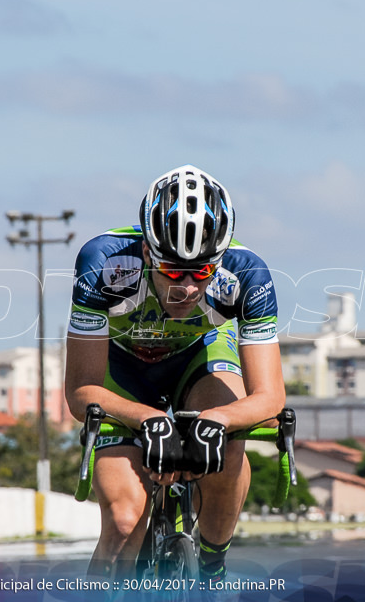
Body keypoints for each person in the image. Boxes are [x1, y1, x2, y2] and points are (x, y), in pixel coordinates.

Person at [65, 164, 285, 582]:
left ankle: (212, 569)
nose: (186, 286)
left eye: (202, 271)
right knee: (126, 524)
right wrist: (148, 419)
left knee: (228, 439)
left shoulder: (247, 273)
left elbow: (270, 398)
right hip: (120, 370)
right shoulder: (104, 262)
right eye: (170, 269)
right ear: (148, 252)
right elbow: (81, 392)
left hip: (197, 360)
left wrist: (216, 421)